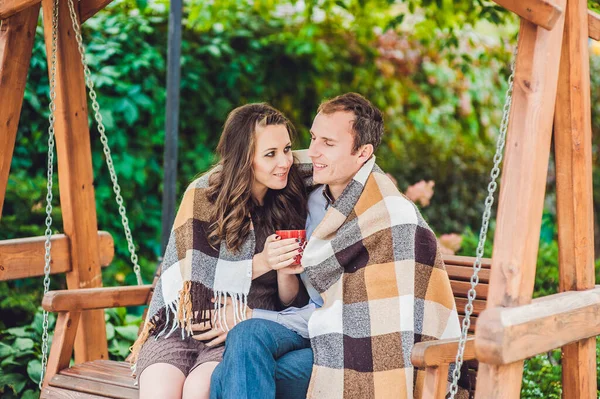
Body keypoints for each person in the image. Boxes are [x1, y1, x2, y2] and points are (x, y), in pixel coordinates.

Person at [210, 93, 463, 399]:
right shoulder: (313, 199)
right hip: (308, 332)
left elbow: (357, 321)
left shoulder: (389, 218)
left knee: (230, 373)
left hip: (352, 347)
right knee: (245, 337)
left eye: (328, 143)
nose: (312, 152)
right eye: (314, 138)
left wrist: (255, 315)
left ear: (362, 153)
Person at [130, 103, 311, 399]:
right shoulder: (203, 196)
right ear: (243, 158)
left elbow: (289, 301)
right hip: (181, 329)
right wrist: (263, 261)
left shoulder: (288, 201)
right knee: (158, 392)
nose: (285, 162)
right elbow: (192, 278)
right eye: (270, 154)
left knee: (198, 391)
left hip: (235, 332)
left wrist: (284, 269)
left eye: (288, 149)